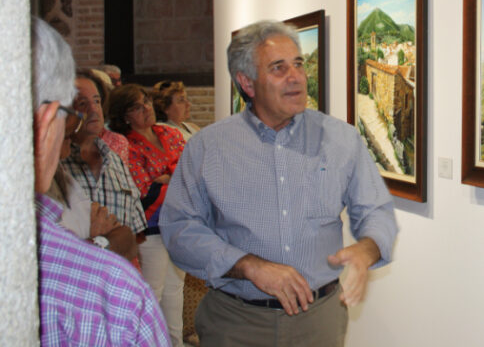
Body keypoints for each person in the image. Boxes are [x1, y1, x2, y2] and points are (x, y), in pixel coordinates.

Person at [159, 21, 399, 347]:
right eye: (278, 68)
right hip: (235, 323)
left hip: (319, 321)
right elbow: (179, 228)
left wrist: (366, 249)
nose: (296, 76)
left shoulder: (340, 138)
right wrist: (248, 266)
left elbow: (376, 209)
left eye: (298, 64)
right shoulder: (208, 147)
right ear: (247, 82)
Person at [31, 16, 170, 346]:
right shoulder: (115, 296)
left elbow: (129, 233)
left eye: (96, 101)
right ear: (48, 123)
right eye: (77, 107)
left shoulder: (113, 153)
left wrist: (100, 243)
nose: (90, 111)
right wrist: (94, 246)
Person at [108, 83, 187, 347]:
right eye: (137, 107)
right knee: (153, 292)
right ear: (124, 116)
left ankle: (175, 342)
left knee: (175, 290)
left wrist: (165, 178)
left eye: (147, 102)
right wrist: (171, 178)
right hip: (150, 227)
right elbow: (142, 190)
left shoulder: (169, 133)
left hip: (179, 222)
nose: (146, 108)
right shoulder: (127, 144)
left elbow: (190, 171)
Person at [60, 71, 147, 259]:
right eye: (82, 103)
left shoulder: (115, 161)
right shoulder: (56, 166)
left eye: (97, 101)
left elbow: (135, 237)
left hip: (117, 273)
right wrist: (100, 242)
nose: (93, 109)